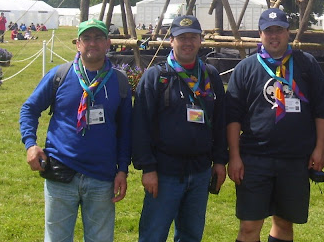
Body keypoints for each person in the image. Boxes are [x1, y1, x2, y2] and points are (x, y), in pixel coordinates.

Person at [19, 18, 132, 242]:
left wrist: (122, 170)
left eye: (98, 38)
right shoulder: (59, 75)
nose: (93, 43)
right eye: (86, 38)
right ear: (78, 44)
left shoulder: (119, 82)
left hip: (102, 177)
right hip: (61, 173)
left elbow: (126, 130)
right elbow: (29, 109)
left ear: (108, 43)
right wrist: (30, 144)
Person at [226, 8, 324, 242]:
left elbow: (322, 109)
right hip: (254, 159)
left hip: (295, 159)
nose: (274, 36)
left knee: (284, 224)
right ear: (260, 34)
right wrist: (234, 157)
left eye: (279, 30)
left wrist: (320, 148)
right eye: (269, 31)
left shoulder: (306, 64)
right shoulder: (246, 68)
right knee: (249, 226)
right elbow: (232, 117)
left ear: (288, 33)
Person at [132, 15, 227, 242]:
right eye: (182, 37)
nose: (187, 43)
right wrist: (148, 168)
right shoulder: (157, 76)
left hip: (200, 171)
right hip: (164, 173)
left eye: (193, 37)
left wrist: (220, 161)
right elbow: (140, 126)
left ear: (200, 40)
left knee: (191, 236)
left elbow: (221, 122)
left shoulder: (210, 76)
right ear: (171, 40)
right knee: (153, 235)